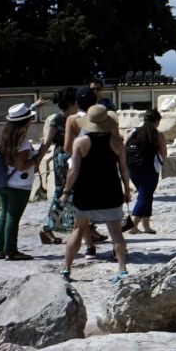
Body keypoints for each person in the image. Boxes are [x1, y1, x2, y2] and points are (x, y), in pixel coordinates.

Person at [61, 104, 132, 281]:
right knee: (116, 232)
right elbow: (124, 169)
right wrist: (127, 189)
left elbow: (73, 171)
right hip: (111, 191)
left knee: (78, 229)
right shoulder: (117, 143)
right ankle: (122, 269)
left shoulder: (80, 142)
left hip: (86, 192)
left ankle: (66, 268)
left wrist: (66, 191)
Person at [0, 103, 40, 261]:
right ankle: (11, 251)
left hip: (4, 181)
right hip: (19, 185)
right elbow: (22, 166)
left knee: (4, 215)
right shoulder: (23, 143)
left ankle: (0, 249)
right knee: (13, 217)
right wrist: (36, 158)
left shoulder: (5, 137)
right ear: (25, 122)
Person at [36, 88, 80, 246]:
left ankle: (84, 227)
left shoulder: (77, 118)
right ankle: (47, 227)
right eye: (75, 100)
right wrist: (37, 162)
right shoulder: (57, 120)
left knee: (78, 192)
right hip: (63, 158)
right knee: (63, 191)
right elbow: (47, 142)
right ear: (70, 103)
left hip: (76, 157)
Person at [123, 109, 168, 234]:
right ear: (156, 121)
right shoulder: (158, 134)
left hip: (132, 167)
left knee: (146, 195)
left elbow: (124, 148)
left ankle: (146, 225)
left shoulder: (132, 132)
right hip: (149, 169)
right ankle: (133, 225)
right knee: (144, 195)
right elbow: (164, 154)